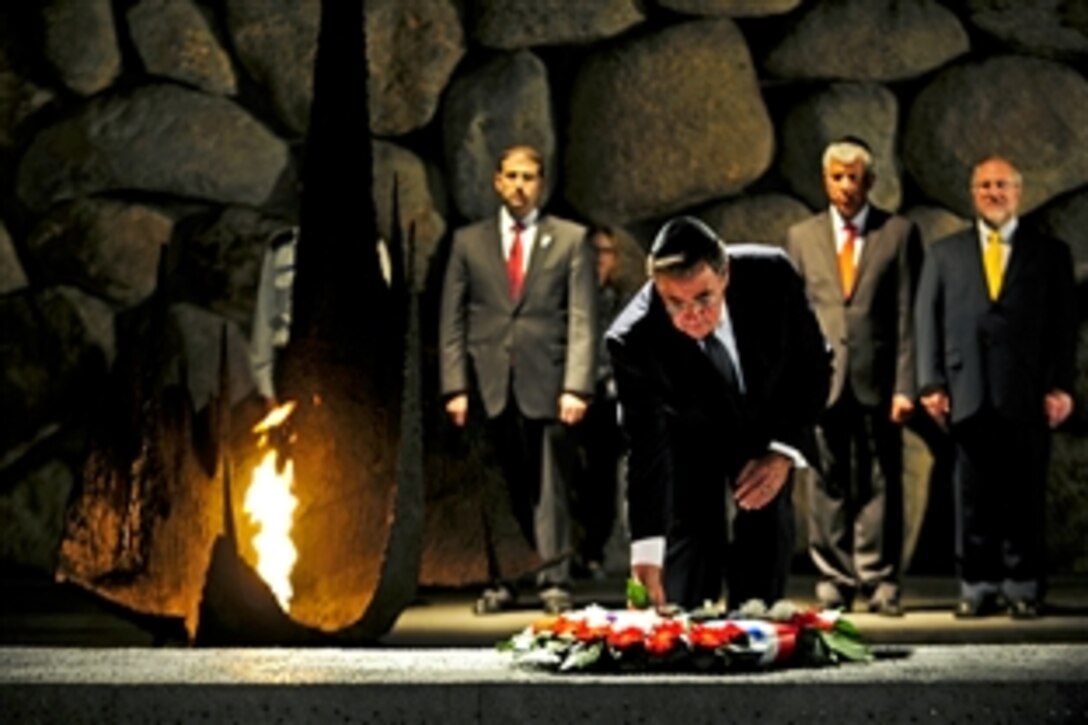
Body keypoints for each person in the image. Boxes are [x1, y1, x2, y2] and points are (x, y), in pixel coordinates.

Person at [607, 216, 830, 610]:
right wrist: (645, 558)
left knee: (766, 526)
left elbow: (813, 365)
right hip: (687, 438)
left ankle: (758, 634)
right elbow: (645, 448)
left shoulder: (770, 275)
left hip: (766, 425)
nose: (691, 315)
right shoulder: (632, 337)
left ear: (725, 275)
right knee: (688, 551)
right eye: (674, 302)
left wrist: (782, 453)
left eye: (703, 299)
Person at [915, 155, 1076, 620]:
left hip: (1027, 395)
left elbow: (1064, 330)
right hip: (966, 393)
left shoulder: (1050, 254)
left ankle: (1023, 585)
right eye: (984, 186)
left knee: (1024, 494)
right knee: (972, 497)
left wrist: (1061, 386)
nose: (993, 193)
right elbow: (927, 322)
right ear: (973, 194)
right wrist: (931, 383)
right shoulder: (945, 254)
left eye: (1002, 185)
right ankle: (977, 585)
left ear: (1018, 192)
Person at [439, 144, 598, 614]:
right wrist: (455, 386)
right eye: (511, 176)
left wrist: (577, 385)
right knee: (497, 484)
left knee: (550, 485)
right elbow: (453, 319)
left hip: (546, 380)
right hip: (488, 381)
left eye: (528, 177)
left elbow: (583, 318)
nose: (519, 186)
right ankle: (502, 580)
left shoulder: (569, 239)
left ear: (541, 184)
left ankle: (553, 580)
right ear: (496, 181)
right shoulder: (468, 242)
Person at [786, 138, 923, 616]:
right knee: (825, 479)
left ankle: (880, 579)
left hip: (879, 379)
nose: (846, 186)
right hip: (824, 380)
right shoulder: (802, 237)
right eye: (837, 177)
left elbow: (909, 314)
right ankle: (835, 579)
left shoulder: (898, 233)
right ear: (825, 180)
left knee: (882, 478)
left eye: (854, 177)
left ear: (870, 181)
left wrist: (907, 385)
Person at [571, 226, 631, 578]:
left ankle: (593, 549)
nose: (598, 259)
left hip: (606, 402)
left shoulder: (623, 302)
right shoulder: (564, 300)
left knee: (601, 478)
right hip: (565, 397)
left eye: (605, 252)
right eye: (592, 251)